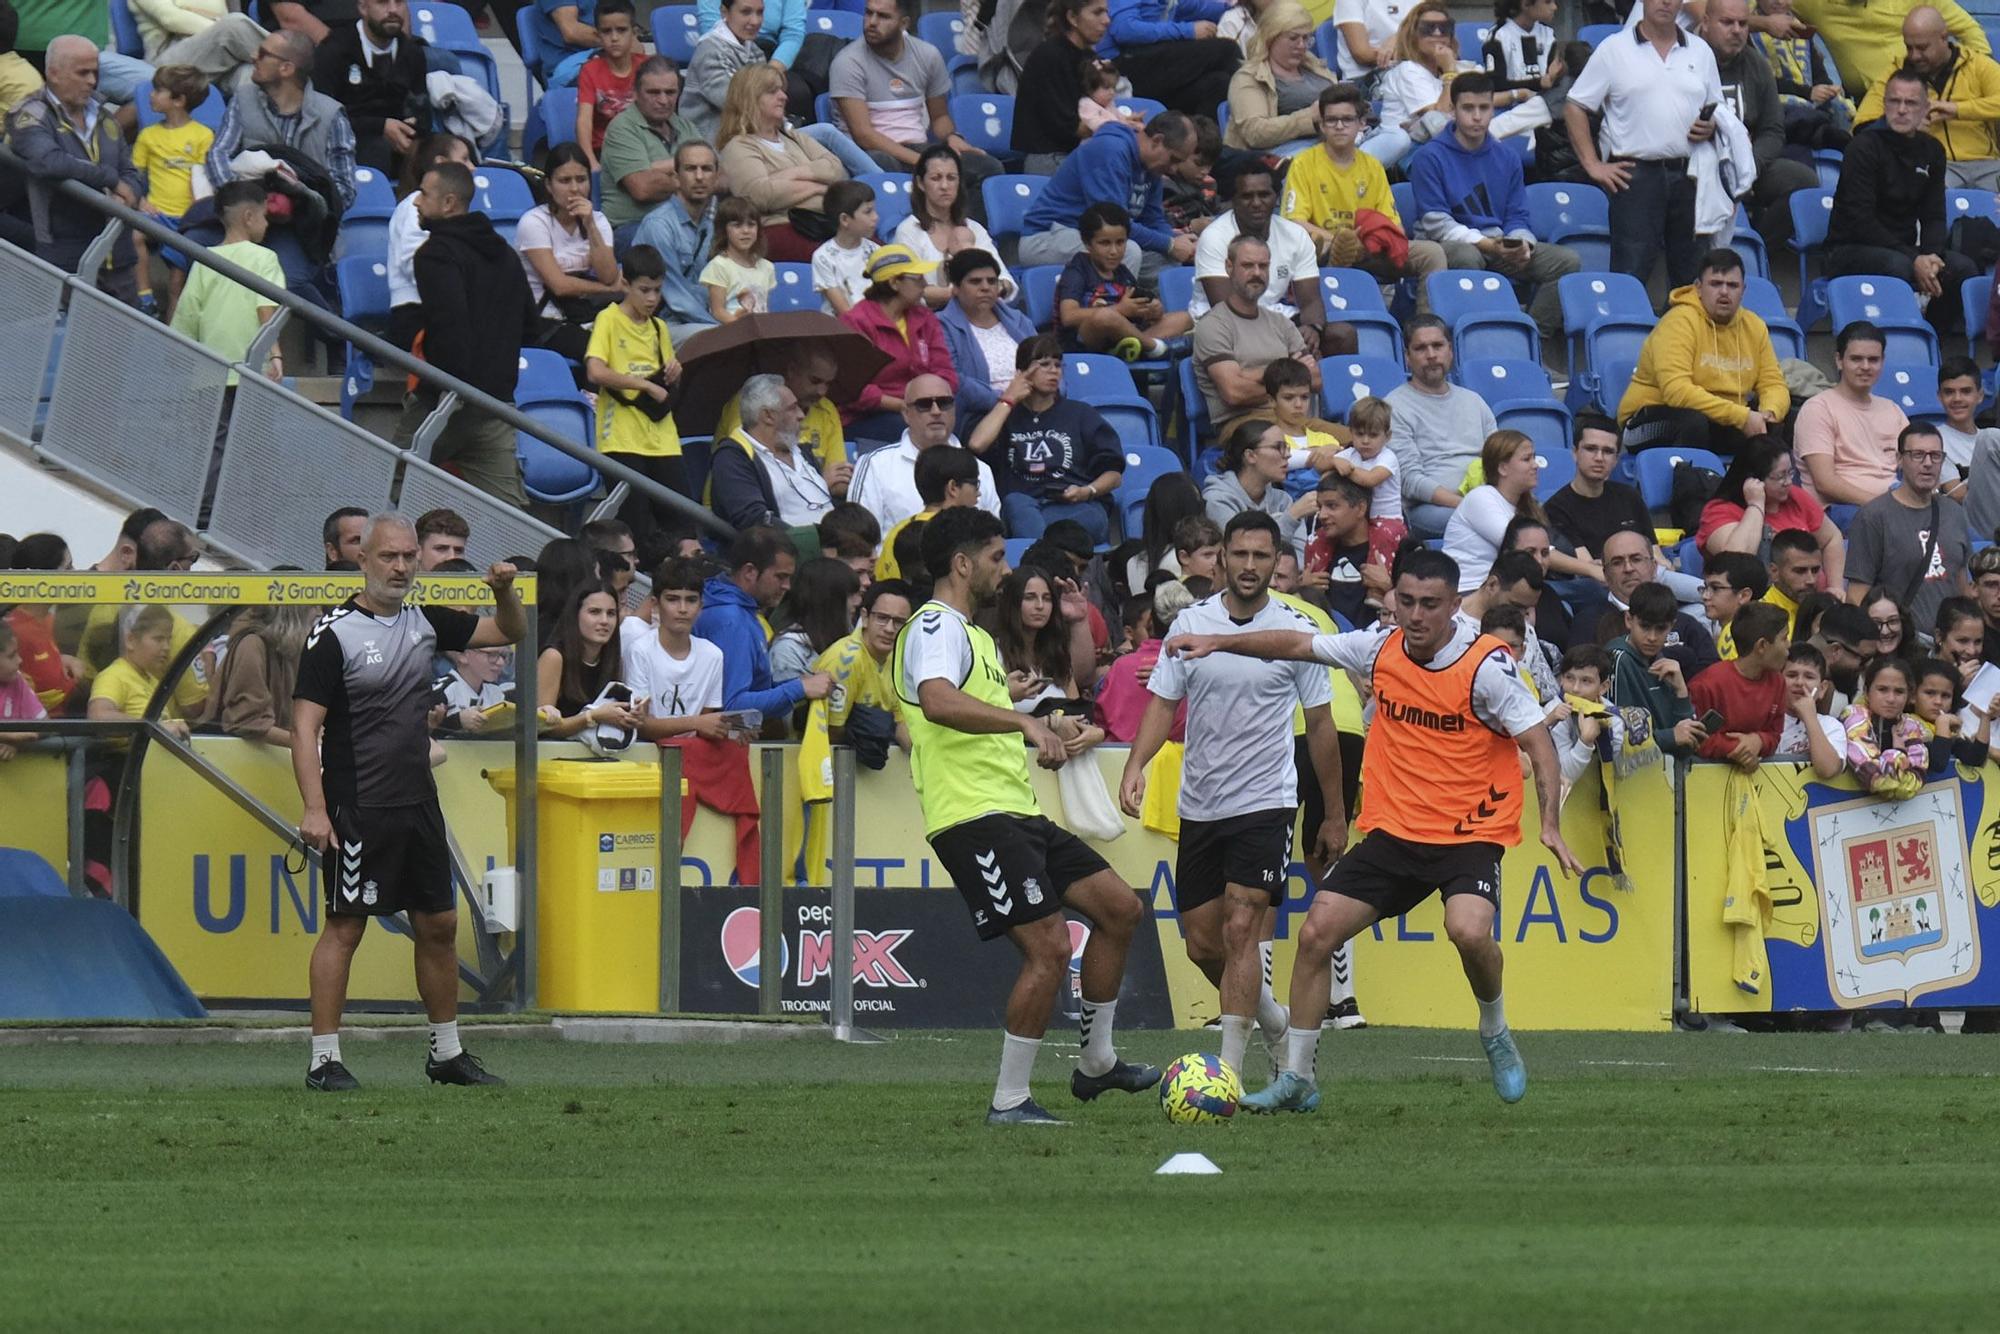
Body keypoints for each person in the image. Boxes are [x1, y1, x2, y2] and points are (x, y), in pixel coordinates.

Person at [1164, 546, 1578, 1110]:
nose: (1415, 615)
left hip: (1470, 832)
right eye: (1404, 600)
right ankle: (1299, 1078)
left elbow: (1537, 743)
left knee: (1469, 933)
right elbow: (1294, 644)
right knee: (1315, 935)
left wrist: (1550, 822)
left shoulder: (1488, 665)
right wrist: (1218, 642)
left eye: (1430, 604)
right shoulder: (1378, 646)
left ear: (1456, 605)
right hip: (1396, 834)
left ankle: (1494, 1028)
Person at [889, 506, 1158, 1122]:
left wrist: (1040, 720)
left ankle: (1096, 1062)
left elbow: (973, 709)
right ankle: (1009, 1101)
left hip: (1016, 810)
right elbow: (935, 702)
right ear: (962, 563)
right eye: (995, 558)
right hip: (973, 816)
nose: (1004, 571)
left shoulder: (977, 636)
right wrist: (1024, 720)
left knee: (1120, 909)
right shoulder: (934, 626)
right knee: (1049, 950)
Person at [294, 513, 525, 1091]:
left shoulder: (425, 622)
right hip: (359, 806)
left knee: (440, 924)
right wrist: (316, 809)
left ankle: (446, 1053)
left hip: (418, 803)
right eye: (388, 557)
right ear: (363, 561)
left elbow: (508, 632)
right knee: (346, 926)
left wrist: (503, 591)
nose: (399, 567)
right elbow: (303, 729)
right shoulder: (334, 633)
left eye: (407, 558)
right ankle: (324, 1060)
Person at [1120, 510, 1343, 1080]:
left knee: (1243, 926)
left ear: (1277, 563)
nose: (1249, 566)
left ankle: (1228, 1074)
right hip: (1199, 803)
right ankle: (1272, 1019)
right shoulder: (1189, 624)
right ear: (1221, 558)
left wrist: (1332, 813)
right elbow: (1164, 703)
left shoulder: (1294, 632)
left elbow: (1321, 726)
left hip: (1266, 801)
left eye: (1261, 556)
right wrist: (1135, 765)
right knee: (1203, 945)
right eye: (1239, 555)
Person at [394, 160, 539, 509]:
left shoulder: (434, 254)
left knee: (394, 491)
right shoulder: (505, 254)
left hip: (444, 403)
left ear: (448, 204)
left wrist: (450, 389)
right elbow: (531, 327)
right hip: (494, 405)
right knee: (510, 519)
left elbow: (450, 326)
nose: (415, 202)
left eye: (424, 195)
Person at [1409, 72, 1579, 351]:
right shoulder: (1430, 157)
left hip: (1499, 244)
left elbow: (1517, 215)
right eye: (1468, 108)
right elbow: (1436, 223)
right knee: (1468, 255)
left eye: (1484, 108)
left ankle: (1529, 343)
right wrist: (1489, 245)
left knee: (1567, 261)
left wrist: (1522, 243)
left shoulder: (1507, 157)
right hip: (1448, 245)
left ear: (1493, 109)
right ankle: (1474, 345)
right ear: (1453, 110)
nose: (1476, 117)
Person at [1564, 0, 1724, 291]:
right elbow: (1575, 105)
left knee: (1690, 277)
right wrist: (1592, 164)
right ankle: (1624, 334)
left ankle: (1683, 336)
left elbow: (1717, 108)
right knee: (1629, 273)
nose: (1666, 2)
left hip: (1691, 174)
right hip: (1634, 175)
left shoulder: (1701, 51)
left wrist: (1711, 126)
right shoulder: (1615, 49)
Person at [1825, 64, 1980, 303]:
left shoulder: (1932, 150)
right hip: (1850, 248)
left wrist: (1932, 257)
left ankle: (1933, 336)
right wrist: (1913, 257)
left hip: (1902, 249)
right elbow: (1860, 220)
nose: (1901, 110)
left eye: (1911, 103)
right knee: (1898, 266)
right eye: (1894, 102)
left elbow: (1934, 215)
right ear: (1884, 105)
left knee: (1962, 268)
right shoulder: (1863, 147)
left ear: (1926, 108)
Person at [1618, 248, 1789, 457]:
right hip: (1647, 419)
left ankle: (1746, 489)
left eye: (1732, 285)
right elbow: (1676, 392)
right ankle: (1690, 486)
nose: (1724, 292)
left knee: (1782, 424)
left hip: (1719, 418)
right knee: (1692, 422)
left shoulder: (1755, 326)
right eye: (1715, 284)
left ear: (1743, 290)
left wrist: (1769, 413)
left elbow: (1773, 383)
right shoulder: (1678, 322)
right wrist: (1741, 416)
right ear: (1698, 288)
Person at [10, 36, 144, 297]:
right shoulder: (30, 114)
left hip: (119, 256)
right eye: (83, 73)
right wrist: (110, 180)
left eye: (95, 73)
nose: (92, 81)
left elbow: (131, 171)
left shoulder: (105, 116)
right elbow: (47, 161)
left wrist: (129, 193)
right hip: (65, 254)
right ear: (53, 73)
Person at [832, 0, 998, 208]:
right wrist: (924, 162)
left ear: (904, 23)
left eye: (883, 16)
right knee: (883, 164)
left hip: (917, 148)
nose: (871, 22)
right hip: (870, 152)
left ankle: (961, 232)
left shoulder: (927, 55)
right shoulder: (847, 62)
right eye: (868, 13)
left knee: (988, 167)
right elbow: (864, 136)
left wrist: (951, 137)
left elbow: (939, 117)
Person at [1280, 82, 1443, 288]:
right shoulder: (1303, 163)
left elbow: (1394, 225)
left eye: (1347, 119)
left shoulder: (1373, 166)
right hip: (1324, 246)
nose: (1339, 126)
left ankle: (1425, 319)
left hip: (1369, 248)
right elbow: (1294, 222)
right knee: (1313, 244)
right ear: (1321, 125)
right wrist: (1340, 240)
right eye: (1331, 120)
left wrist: (1365, 244)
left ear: (1362, 124)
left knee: (1431, 254)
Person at [585, 244, 690, 563]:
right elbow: (595, 369)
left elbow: (668, 379)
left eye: (657, 291)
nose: (651, 299)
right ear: (626, 285)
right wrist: (643, 384)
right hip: (622, 437)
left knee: (682, 523)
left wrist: (674, 373)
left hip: (661, 438)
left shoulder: (659, 328)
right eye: (644, 290)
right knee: (637, 528)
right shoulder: (609, 319)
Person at [966, 334, 1122, 543]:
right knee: (1016, 504)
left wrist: (1087, 491)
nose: (1053, 371)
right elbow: (977, 444)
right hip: (1024, 508)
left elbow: (1114, 474)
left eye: (1058, 365)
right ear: (1021, 373)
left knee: (1087, 518)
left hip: (1078, 507)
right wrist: (1008, 399)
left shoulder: (1081, 414)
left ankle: (1038, 554)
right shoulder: (1005, 418)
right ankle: (1044, 552)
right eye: (1044, 364)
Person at [1018, 110, 1198, 276]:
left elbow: (1153, 219)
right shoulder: (1110, 150)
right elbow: (1112, 222)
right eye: (1173, 159)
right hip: (1046, 237)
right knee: (1127, 251)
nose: (1174, 169)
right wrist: (1169, 245)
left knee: (1169, 263)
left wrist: (1179, 242)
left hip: (1094, 240)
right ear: (1157, 140)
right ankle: (1110, 309)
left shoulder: (1152, 168)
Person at [1699, 0, 1818, 243]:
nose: (1736, 30)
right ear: (1705, 22)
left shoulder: (1757, 65)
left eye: (1743, 24)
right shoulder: (1686, 60)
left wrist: (1748, 168)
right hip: (1698, 163)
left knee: (1803, 181)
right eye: (1727, 22)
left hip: (1748, 162)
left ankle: (1756, 248)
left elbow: (1773, 131)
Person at [694, 527, 833, 729]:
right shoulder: (731, 620)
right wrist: (799, 688)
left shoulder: (739, 610)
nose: (787, 586)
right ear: (750, 572)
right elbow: (732, 707)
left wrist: (796, 685)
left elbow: (753, 690)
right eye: (780, 577)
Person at [206, 29, 358, 213]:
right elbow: (218, 154)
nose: (254, 56)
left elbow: (344, 189)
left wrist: (293, 204)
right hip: (248, 220)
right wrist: (243, 199)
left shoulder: (332, 115)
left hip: (309, 230)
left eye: (263, 54)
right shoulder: (242, 99)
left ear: (286, 68)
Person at [1844, 422, 1973, 632]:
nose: (1928, 463)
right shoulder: (1873, 517)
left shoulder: (1955, 513)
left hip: (1949, 646)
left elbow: (1962, 588)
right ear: (1899, 460)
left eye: (1935, 455)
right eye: (1918, 455)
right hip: (1900, 645)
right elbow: (1857, 597)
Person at [714, 63, 849, 262]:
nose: (784, 97)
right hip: (782, 229)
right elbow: (760, 195)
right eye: (772, 91)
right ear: (749, 98)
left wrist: (788, 176)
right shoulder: (739, 146)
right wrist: (819, 187)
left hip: (823, 224)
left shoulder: (792, 137)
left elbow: (838, 171)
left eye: (782, 90)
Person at [1854, 6, 2000, 190]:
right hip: (1933, 164)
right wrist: (1902, 126)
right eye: (1909, 47)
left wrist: (1957, 109)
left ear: (1944, 38)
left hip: (1987, 164)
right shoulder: (1897, 73)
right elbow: (1861, 126)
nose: (1914, 56)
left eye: (1922, 48)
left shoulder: (1977, 65)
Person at [1187, 162, 1327, 344]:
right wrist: (1283, 336)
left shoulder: (1296, 235)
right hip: (1219, 322)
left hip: (1272, 314)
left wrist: (1312, 329)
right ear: (1233, 200)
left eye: (1264, 195)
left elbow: (1311, 302)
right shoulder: (1214, 237)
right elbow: (1226, 307)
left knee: (1340, 335)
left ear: (1276, 198)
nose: (1256, 203)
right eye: (1247, 196)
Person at [1191, 233, 1319, 433]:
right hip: (1245, 427)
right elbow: (1234, 393)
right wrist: (1286, 372)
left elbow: (1316, 379)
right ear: (1229, 267)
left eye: (1263, 266)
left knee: (1360, 447)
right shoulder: (1213, 325)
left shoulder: (1281, 322)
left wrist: (1252, 375)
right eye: (1248, 266)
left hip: (1295, 421)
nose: (1257, 273)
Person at [169, 180, 284, 397]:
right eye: (265, 216)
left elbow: (187, 316)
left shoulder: (205, 260)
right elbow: (265, 309)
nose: (267, 224)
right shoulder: (266, 258)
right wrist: (275, 354)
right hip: (252, 370)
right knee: (250, 431)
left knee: (213, 432)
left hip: (208, 374)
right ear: (249, 217)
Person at [1389, 315, 1496, 538]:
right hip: (1427, 509)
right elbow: (1410, 481)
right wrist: (1467, 504)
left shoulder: (1474, 401)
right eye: (1420, 348)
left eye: (1437, 346)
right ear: (1407, 357)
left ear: (1450, 351)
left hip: (1482, 499)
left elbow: (1500, 459)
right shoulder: (1394, 407)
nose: (1431, 355)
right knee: (1492, 526)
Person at [849, 373, 1000, 531]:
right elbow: (860, 539)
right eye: (924, 404)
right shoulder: (875, 465)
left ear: (954, 409)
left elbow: (993, 539)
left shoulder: (981, 469)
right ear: (906, 414)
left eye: (944, 403)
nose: (936, 411)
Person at [838, 245, 958, 443]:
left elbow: (945, 372)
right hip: (870, 416)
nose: (925, 284)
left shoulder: (925, 317)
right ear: (894, 282)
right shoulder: (857, 322)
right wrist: (905, 405)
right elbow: (852, 388)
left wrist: (928, 402)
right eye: (917, 278)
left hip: (923, 407)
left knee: (955, 417)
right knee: (912, 430)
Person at [517, 142, 621, 364]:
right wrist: (606, 289)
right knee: (603, 352)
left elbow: (609, 275)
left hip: (585, 314)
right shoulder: (534, 222)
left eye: (581, 180)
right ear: (549, 185)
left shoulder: (598, 220)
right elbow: (560, 286)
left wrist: (590, 224)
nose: (575, 189)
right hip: (544, 320)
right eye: (564, 181)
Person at [1696, 438, 1846, 587]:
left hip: (1810, 600)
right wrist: (1756, 505)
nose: (1788, 482)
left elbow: (1831, 538)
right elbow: (1736, 561)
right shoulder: (1719, 511)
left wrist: (1835, 587)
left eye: (1790, 473)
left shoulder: (1795, 496)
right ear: (1753, 479)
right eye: (1780, 476)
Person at [1794, 321, 1908, 509]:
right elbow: (1825, 483)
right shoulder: (1818, 409)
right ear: (1839, 360)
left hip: (1892, 507)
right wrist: (1885, 508)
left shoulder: (1892, 410)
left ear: (1883, 361)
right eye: (1856, 359)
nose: (1865, 366)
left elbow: (1916, 461)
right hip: (1841, 511)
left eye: (1873, 360)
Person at [1057, 202, 1189, 361]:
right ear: (1087, 243)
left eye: (1120, 242)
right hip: (1087, 342)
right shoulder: (1077, 270)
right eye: (1105, 243)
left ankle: (1133, 349)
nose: (1114, 251)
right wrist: (1120, 309)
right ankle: (1154, 348)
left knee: (1184, 317)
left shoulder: (1122, 272)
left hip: (1126, 336)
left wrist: (1152, 310)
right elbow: (1069, 316)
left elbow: (1136, 309)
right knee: (1104, 317)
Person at [313, 0, 431, 176]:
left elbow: (422, 108)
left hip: (400, 140)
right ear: (363, 8)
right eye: (382, 3)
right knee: (377, 148)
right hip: (351, 139)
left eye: (399, 2)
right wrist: (380, 126)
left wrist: (413, 125)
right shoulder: (334, 50)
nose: (393, 10)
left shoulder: (412, 52)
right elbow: (323, 117)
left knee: (449, 149)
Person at [1585, 529, 1722, 680]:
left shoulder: (1685, 622)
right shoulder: (1588, 622)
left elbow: (1713, 676)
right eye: (1617, 563)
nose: (1628, 568)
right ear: (1605, 573)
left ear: (1654, 567)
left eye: (1636, 559)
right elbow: (1581, 679)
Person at [131, 64, 213, 313]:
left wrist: (198, 213)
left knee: (177, 283)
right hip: (156, 212)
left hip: (187, 220)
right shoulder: (148, 136)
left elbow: (202, 180)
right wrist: (140, 201)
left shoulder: (203, 135)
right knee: (135, 235)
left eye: (158, 91)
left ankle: (174, 332)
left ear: (179, 100)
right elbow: (134, 174)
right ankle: (145, 297)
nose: (151, 95)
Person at [623, 557, 731, 743]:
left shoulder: (713, 655)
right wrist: (696, 722)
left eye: (691, 600)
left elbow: (706, 726)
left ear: (700, 606)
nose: (682, 609)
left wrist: (728, 729)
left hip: (693, 757)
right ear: (655, 604)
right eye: (673, 599)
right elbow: (641, 725)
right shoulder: (640, 650)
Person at [894, 144, 1017, 306]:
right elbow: (908, 290)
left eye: (951, 178)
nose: (945, 186)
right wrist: (960, 292)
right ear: (920, 183)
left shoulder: (974, 228)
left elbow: (1006, 281)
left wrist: (998, 288)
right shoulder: (908, 230)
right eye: (936, 178)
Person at [383, 132, 474, 349]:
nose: (472, 167)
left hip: (445, 311)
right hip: (415, 313)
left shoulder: (459, 212)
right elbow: (414, 263)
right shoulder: (414, 206)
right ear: (441, 163)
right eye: (464, 159)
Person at [600, 56, 700, 247]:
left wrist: (659, 169)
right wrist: (690, 173)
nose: (663, 100)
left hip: (684, 222)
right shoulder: (622, 128)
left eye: (670, 92)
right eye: (653, 92)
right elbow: (643, 188)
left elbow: (720, 176)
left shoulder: (686, 126)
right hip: (632, 228)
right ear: (635, 93)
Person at [630, 139, 720, 339]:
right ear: (676, 178)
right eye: (690, 169)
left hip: (702, 318)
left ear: (716, 177)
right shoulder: (659, 225)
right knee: (716, 338)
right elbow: (677, 299)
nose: (699, 177)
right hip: (657, 323)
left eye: (706, 169)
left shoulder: (715, 222)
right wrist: (722, 328)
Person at [1013, 0, 1113, 174]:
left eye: (1106, 12)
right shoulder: (1050, 57)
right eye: (1097, 13)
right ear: (1073, 17)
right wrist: (1118, 127)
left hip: (1079, 152)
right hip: (1051, 158)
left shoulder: (1089, 57)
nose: (1107, 20)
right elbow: (1073, 127)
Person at [1095, 0, 1240, 119]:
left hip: (1154, 69)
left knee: (1218, 82)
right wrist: (1187, 30)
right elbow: (1124, 30)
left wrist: (1237, 6)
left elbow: (1191, 7)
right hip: (1121, 69)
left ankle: (1202, 147)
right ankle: (1251, 112)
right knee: (1226, 49)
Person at [1687, 600, 1790, 768]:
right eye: (1784, 638)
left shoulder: (1777, 682)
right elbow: (1696, 738)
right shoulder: (1707, 684)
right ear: (1762, 645)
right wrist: (1737, 748)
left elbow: (1774, 734)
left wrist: (1758, 741)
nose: (1789, 646)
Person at [1223, 0, 1334, 154]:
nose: (1301, 45)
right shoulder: (1249, 77)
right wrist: (1309, 117)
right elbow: (1255, 133)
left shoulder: (1314, 66)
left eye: (1306, 38)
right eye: (1293, 38)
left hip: (1333, 139)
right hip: (1285, 152)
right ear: (1271, 38)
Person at [938, 248, 1034, 425]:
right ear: (956, 288)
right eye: (975, 282)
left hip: (1033, 405)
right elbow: (955, 380)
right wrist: (1006, 400)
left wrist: (1042, 395)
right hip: (981, 415)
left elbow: (1048, 360)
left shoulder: (1019, 320)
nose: (985, 287)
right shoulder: (941, 326)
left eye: (992, 281)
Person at [1541, 415, 1646, 576]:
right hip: (1604, 585)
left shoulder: (1630, 496)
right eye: (1591, 449)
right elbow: (1588, 565)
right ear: (1575, 453)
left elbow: (1654, 554)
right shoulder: (1556, 508)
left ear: (1616, 460)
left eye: (1608, 451)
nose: (1599, 458)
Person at [1442, 430, 1545, 593]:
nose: (1535, 465)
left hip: (1506, 589)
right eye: (1527, 459)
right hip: (1468, 590)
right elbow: (1524, 549)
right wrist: (1588, 569)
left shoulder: (1530, 505)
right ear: (1503, 468)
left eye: (1534, 457)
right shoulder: (1481, 498)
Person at [1607, 580, 1703, 753]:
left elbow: (1686, 744)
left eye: (1660, 629)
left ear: (1671, 626)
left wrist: (1681, 692)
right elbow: (1616, 739)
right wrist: (1670, 736)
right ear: (1629, 620)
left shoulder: (1666, 665)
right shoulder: (1618, 661)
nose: (1652, 637)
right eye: (1645, 626)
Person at [535, 582, 636, 739]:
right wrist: (592, 717)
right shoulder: (554, 657)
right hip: (552, 756)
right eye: (594, 612)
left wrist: (632, 716)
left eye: (611, 613)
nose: (604, 621)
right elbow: (541, 727)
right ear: (575, 616)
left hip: (598, 757)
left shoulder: (614, 660)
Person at [1203, 418, 1312, 561]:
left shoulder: (1283, 500)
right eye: (1278, 447)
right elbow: (1243, 556)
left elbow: (1298, 559)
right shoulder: (1217, 500)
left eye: (1287, 447)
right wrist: (1290, 518)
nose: (1287, 455)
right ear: (1250, 456)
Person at [88, 604, 199, 736]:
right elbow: (98, 716)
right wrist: (152, 727)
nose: (166, 647)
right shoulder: (114, 675)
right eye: (158, 639)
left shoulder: (152, 680)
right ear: (130, 640)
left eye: (168, 640)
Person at [683, 0, 771, 142]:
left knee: (819, 132)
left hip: (750, 133)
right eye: (746, 12)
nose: (755, 21)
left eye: (760, 12)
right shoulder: (710, 50)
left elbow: (769, 96)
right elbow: (735, 103)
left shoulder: (755, 51)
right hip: (711, 142)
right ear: (725, 12)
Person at [129, 0, 265, 90]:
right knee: (233, 26)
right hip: (170, 58)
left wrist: (220, 31)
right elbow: (170, 19)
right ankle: (283, 53)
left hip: (218, 54)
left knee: (254, 78)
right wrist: (219, 29)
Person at [573, 0, 638, 167]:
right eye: (607, 31)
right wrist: (591, 161)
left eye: (622, 30)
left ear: (634, 32)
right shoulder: (590, 70)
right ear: (598, 35)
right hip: (604, 150)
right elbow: (584, 120)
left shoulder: (648, 67)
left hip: (641, 147)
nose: (614, 38)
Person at [701, 194, 775, 322]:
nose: (745, 231)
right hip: (731, 332)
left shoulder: (767, 267)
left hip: (761, 330)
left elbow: (764, 307)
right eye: (737, 225)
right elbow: (718, 311)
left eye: (751, 225)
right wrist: (743, 331)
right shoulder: (719, 266)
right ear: (724, 230)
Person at [812, 178, 879, 316]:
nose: (876, 217)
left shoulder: (876, 251)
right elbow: (844, 311)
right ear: (845, 220)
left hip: (876, 322)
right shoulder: (823, 257)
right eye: (868, 212)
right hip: (844, 330)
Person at [1698, 550, 1769, 658]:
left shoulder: (1741, 639)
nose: (1705, 596)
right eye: (1705, 587)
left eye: (1715, 588)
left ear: (1744, 595)